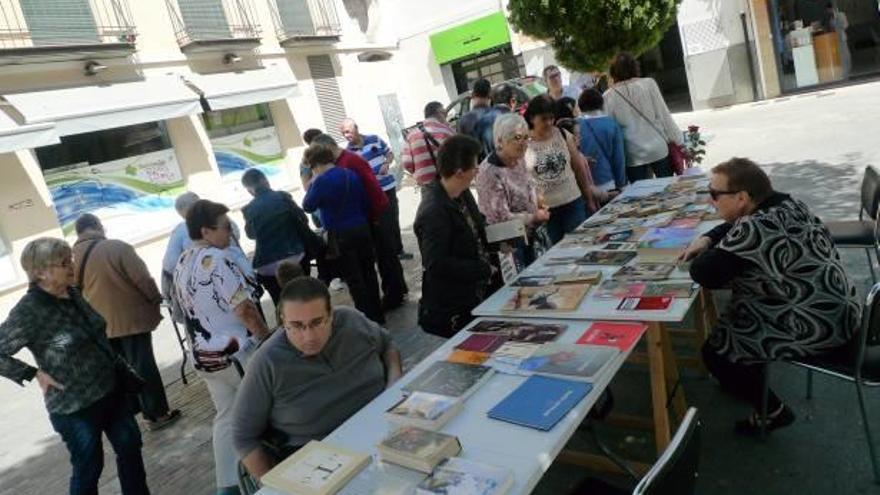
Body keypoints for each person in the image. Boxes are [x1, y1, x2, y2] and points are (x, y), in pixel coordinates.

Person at [680, 158, 860, 436]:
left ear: (741, 197)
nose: (711, 200)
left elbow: (706, 273)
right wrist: (709, 237)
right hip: (841, 310)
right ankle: (748, 381)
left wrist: (710, 246)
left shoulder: (754, 229)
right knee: (738, 316)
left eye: (715, 194)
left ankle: (773, 412)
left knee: (715, 352)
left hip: (816, 326)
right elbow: (739, 229)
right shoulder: (788, 204)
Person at [0, 238, 150, 495]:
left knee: (130, 448)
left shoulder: (72, 293)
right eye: (63, 263)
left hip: (111, 390)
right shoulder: (29, 311)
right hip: (74, 406)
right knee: (89, 468)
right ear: (41, 272)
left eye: (70, 259)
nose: (72, 265)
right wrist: (31, 373)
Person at [232, 277, 402, 479]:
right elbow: (243, 437)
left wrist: (395, 384)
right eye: (296, 326)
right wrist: (275, 488)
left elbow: (388, 345)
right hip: (320, 462)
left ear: (331, 315)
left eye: (317, 323)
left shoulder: (351, 321)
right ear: (282, 322)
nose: (308, 336)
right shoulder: (266, 362)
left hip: (385, 429)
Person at [173, 200, 271, 495]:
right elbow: (243, 309)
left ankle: (227, 486)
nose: (231, 232)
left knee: (226, 417)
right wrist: (266, 337)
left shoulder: (183, 261)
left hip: (204, 356)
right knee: (259, 412)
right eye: (226, 227)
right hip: (235, 353)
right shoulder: (217, 259)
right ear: (206, 230)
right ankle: (268, 478)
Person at [72, 214, 181, 432]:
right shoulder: (117, 247)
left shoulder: (70, 258)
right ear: (97, 227)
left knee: (120, 372)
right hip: (130, 320)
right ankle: (157, 414)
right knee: (143, 367)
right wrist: (156, 298)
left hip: (100, 326)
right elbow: (142, 279)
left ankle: (135, 414)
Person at [312, 133, 407, 310]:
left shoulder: (350, 160)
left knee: (385, 255)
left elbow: (371, 187)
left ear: (328, 148)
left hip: (375, 213)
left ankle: (395, 295)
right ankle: (393, 294)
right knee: (379, 258)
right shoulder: (340, 162)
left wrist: (375, 216)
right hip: (365, 217)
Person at [415, 134, 497, 338]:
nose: (477, 171)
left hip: (477, 291)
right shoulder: (433, 211)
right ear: (460, 172)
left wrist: (501, 239)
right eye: (475, 168)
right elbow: (436, 263)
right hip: (456, 304)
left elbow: (477, 227)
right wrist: (482, 269)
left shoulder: (462, 192)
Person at [302, 144, 384, 324]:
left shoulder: (321, 181)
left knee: (354, 278)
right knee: (369, 272)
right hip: (362, 228)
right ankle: (378, 313)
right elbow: (364, 201)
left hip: (340, 234)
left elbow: (307, 205)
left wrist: (314, 181)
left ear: (315, 164)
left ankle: (366, 319)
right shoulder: (349, 174)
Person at [161, 192, 255, 320]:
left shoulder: (183, 239)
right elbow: (244, 311)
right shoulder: (217, 252)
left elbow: (169, 264)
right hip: (238, 286)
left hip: (208, 301)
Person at [475, 113, 550, 269]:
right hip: (510, 243)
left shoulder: (522, 157)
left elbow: (532, 185)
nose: (523, 144)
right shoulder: (489, 172)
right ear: (500, 141)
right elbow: (500, 218)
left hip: (532, 234)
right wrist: (534, 217)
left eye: (526, 138)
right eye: (517, 138)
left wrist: (540, 201)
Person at [524, 94, 597, 244]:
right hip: (546, 212)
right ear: (532, 118)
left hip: (573, 203)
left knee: (580, 246)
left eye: (552, 118)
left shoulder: (563, 135)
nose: (549, 123)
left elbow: (578, 168)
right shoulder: (523, 145)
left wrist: (588, 198)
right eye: (544, 119)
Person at [603, 52, 683, 183]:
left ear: (613, 72)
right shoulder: (648, 84)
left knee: (642, 196)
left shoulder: (608, 96)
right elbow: (664, 115)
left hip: (632, 154)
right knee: (669, 189)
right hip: (658, 148)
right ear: (635, 67)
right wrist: (679, 142)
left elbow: (612, 130)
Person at [341, 118, 413, 262]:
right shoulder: (348, 153)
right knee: (381, 223)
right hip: (371, 193)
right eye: (343, 133)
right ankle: (387, 253)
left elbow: (389, 153)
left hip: (387, 186)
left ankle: (399, 250)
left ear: (356, 128)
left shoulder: (374, 139)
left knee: (393, 218)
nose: (346, 135)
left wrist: (386, 163)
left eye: (348, 131)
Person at [241, 168, 308, 305]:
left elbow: (251, 234)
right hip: (294, 255)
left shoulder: (249, 209)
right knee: (305, 297)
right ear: (266, 180)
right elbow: (303, 220)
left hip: (267, 266)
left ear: (249, 190)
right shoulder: (283, 197)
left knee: (281, 304)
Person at [577, 88, 627, 192]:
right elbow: (619, 158)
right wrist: (621, 184)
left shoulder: (574, 125)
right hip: (607, 182)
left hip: (583, 186)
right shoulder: (612, 124)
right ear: (601, 103)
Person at [401, 101, 455, 188]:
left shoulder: (411, 135)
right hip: (451, 183)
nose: (446, 116)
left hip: (428, 187)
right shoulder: (447, 131)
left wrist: (420, 175)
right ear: (439, 113)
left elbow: (407, 163)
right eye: (445, 113)